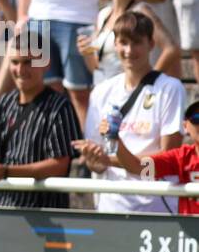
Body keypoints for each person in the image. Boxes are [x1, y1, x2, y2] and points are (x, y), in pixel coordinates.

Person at [73, 12, 184, 215]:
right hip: (112, 208)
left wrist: (114, 158)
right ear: (114, 44)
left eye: (137, 42)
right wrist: (93, 159)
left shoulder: (170, 88)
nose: (129, 50)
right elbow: (97, 165)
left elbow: (167, 159)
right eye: (123, 42)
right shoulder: (101, 92)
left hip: (157, 208)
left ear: (151, 44)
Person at [0, 37, 80, 210]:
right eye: (14, 62)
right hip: (4, 207)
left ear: (46, 64)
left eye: (28, 62)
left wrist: (6, 172)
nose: (20, 70)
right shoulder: (4, 103)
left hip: (45, 214)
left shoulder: (60, 107)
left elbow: (59, 166)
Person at [87, 0, 180, 84]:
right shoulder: (103, 14)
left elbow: (171, 49)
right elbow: (98, 65)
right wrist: (86, 53)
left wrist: (148, 82)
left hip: (130, 91)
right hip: (104, 90)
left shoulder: (141, 11)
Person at [108, 97, 199, 216]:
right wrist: (115, 139)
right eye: (197, 119)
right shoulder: (181, 157)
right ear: (185, 126)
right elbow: (137, 167)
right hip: (190, 232)